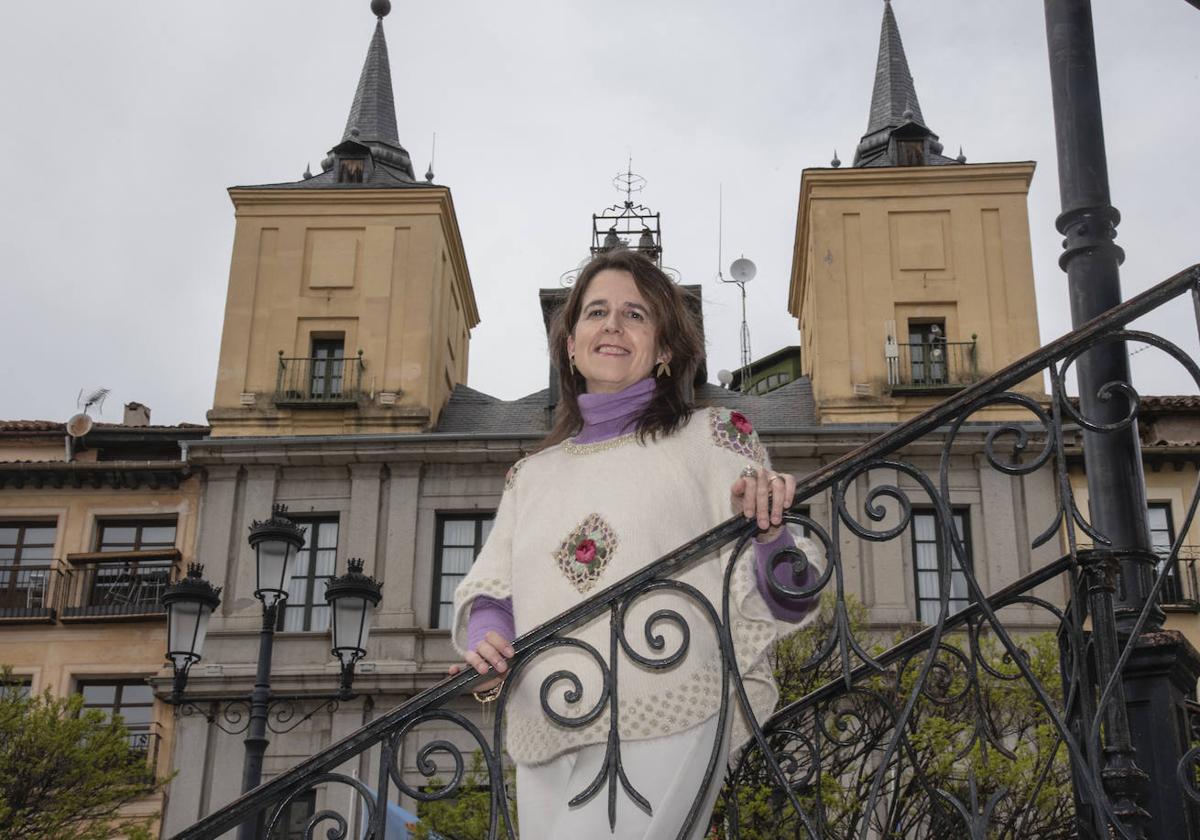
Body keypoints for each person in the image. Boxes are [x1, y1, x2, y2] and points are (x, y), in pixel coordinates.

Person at [448, 248, 820, 840]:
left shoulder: (714, 434)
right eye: (596, 312)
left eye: (636, 314)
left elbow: (789, 596)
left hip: (669, 703)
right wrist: (486, 646)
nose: (613, 326)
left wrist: (770, 530)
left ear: (666, 348)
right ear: (570, 345)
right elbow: (494, 590)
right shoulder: (531, 474)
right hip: (545, 721)